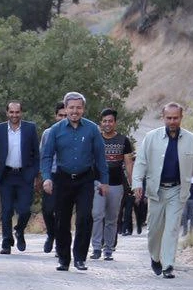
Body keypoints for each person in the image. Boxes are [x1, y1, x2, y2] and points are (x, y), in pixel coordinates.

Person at [132, 103, 193, 279]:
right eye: (169, 118)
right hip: (156, 190)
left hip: (177, 190)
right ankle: (155, 257)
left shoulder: (191, 139)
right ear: (163, 118)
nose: (172, 121)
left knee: (172, 228)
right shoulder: (151, 137)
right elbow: (141, 162)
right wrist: (137, 184)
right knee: (154, 229)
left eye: (175, 118)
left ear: (181, 118)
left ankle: (168, 265)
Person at [40, 92, 108, 272]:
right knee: (62, 220)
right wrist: (47, 178)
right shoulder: (55, 130)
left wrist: (104, 181)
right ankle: (64, 259)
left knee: (85, 218)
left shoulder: (92, 129)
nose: (75, 111)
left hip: (85, 179)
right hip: (62, 179)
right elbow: (47, 156)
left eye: (78, 108)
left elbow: (100, 157)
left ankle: (80, 258)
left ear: (83, 109)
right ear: (66, 108)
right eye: (71, 108)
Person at [0, 100, 39, 254]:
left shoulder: (30, 128)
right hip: (6, 175)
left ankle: (19, 230)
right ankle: (6, 242)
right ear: (7, 113)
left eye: (17, 112)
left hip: (24, 175)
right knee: (6, 210)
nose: (14, 115)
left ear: (21, 113)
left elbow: (36, 153)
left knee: (24, 210)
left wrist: (34, 173)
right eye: (11, 112)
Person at [90, 108, 133, 261]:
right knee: (97, 215)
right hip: (98, 183)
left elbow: (128, 163)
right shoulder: (95, 139)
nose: (107, 124)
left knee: (112, 218)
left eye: (110, 121)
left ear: (115, 123)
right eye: (104, 121)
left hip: (116, 184)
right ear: (101, 123)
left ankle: (108, 249)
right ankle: (96, 247)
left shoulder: (123, 140)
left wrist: (132, 182)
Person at [39, 101, 65, 254]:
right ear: (56, 116)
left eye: (65, 116)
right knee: (48, 210)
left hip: (67, 176)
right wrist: (44, 176)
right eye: (60, 115)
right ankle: (51, 234)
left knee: (62, 211)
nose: (63, 118)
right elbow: (43, 156)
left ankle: (60, 244)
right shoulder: (48, 133)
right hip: (51, 175)